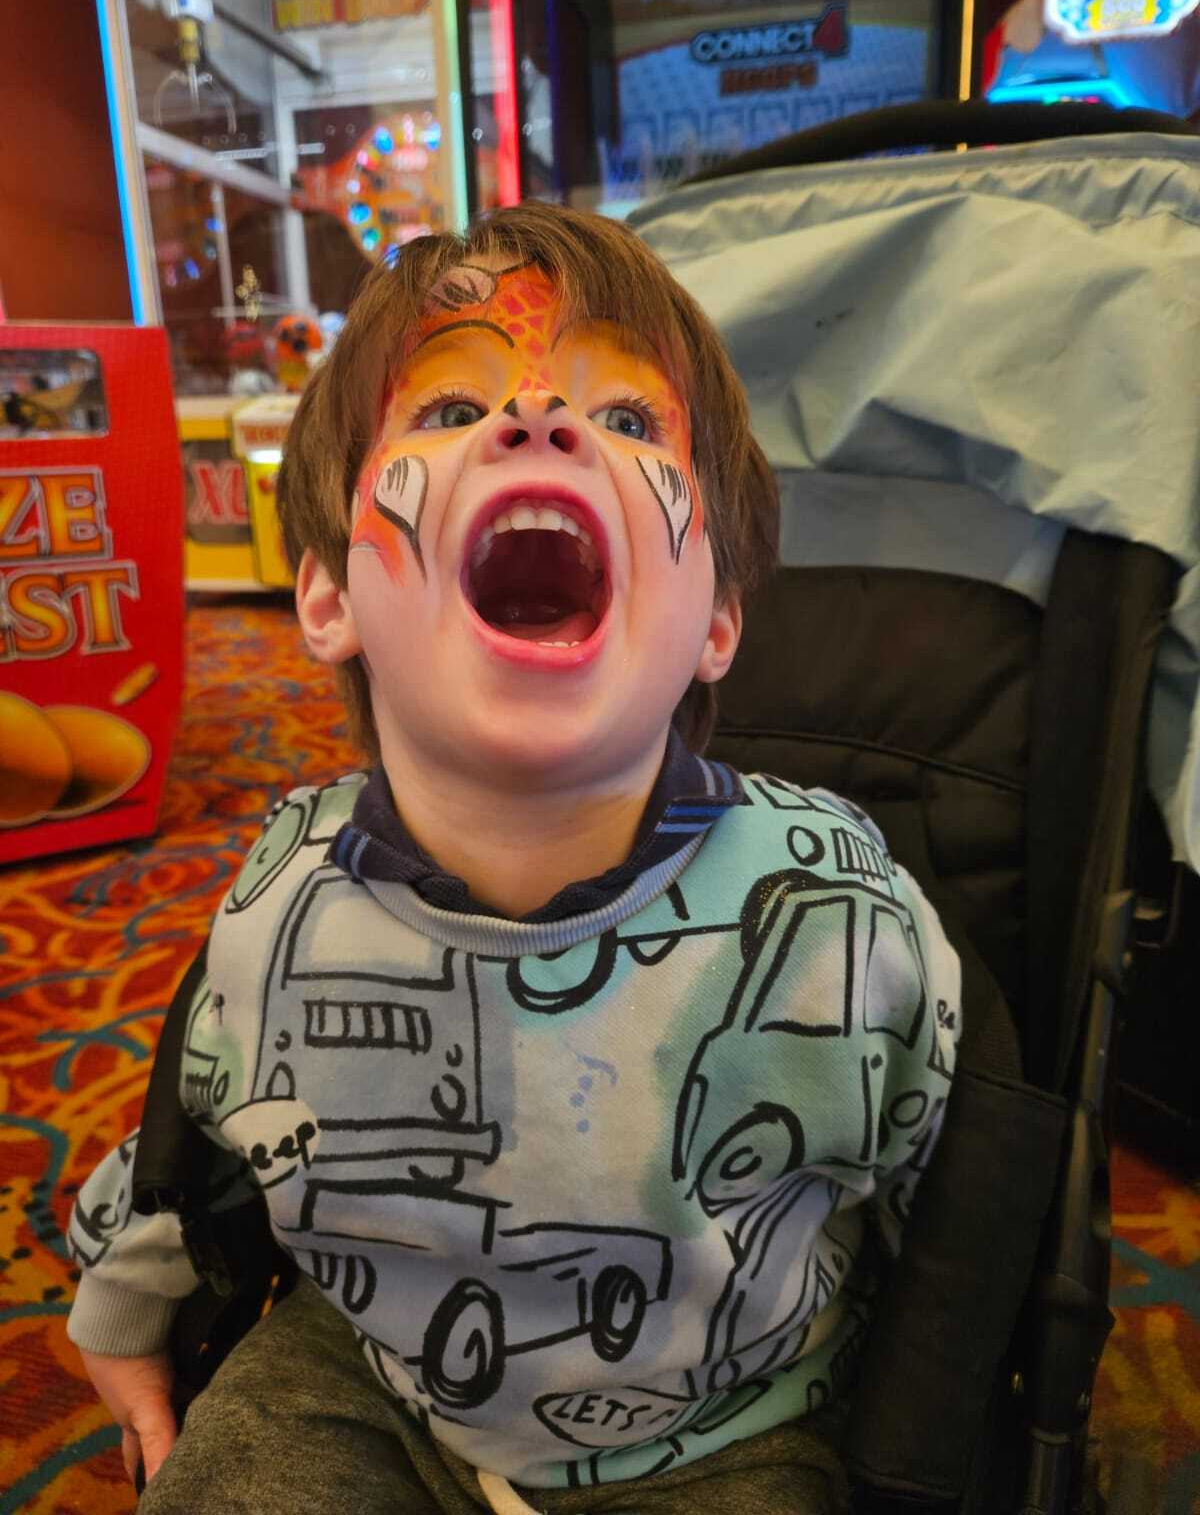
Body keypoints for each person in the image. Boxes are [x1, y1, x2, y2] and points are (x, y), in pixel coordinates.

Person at [66, 202, 961, 1515]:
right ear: (326, 597)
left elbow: (954, 1182)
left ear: (716, 619)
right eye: (442, 413)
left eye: (629, 419)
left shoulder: (833, 911)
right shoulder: (282, 899)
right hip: (374, 1368)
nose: (536, 423)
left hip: (733, 1420)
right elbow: (196, 1137)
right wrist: (118, 1307)